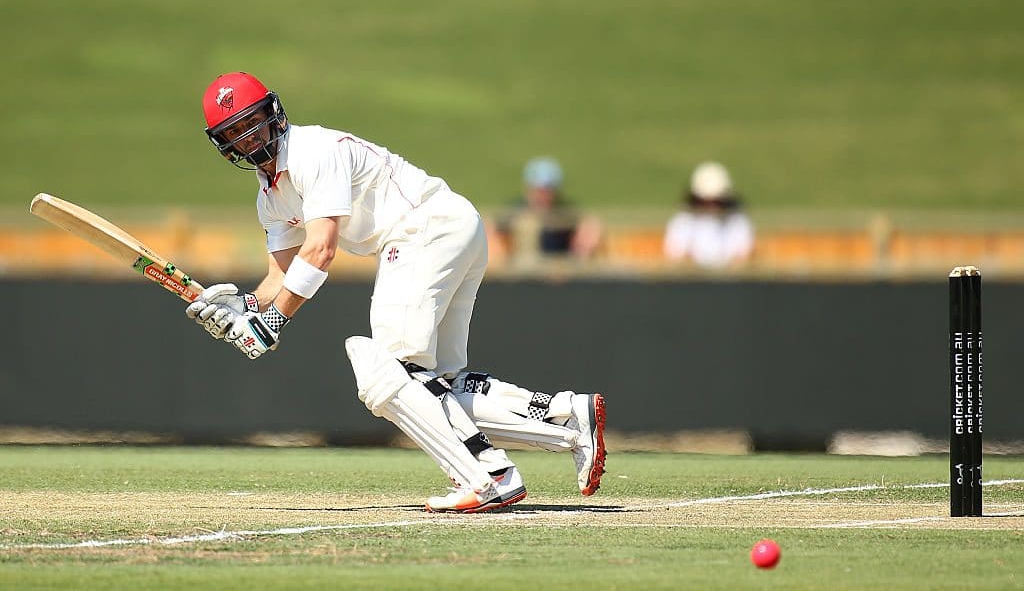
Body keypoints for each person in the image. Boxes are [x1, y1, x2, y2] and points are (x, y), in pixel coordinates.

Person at [186, 72, 606, 513]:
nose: (247, 138)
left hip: (423, 230)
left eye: (251, 122)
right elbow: (281, 275)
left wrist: (273, 323)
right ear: (223, 143)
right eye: (233, 132)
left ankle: (488, 477)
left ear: (273, 115)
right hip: (448, 228)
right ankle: (567, 419)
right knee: (434, 383)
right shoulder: (269, 196)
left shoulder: (313, 152)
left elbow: (321, 248)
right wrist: (244, 310)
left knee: (385, 372)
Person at [494, 157, 603, 262]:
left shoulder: (563, 212)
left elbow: (590, 227)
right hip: (523, 272)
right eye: (538, 190)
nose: (543, 195)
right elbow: (492, 229)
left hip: (560, 268)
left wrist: (578, 257)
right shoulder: (516, 210)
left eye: (548, 190)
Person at [663, 161, 754, 269]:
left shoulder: (738, 221)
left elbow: (743, 257)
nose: (712, 206)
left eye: (716, 201)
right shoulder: (683, 221)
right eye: (706, 201)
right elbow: (676, 258)